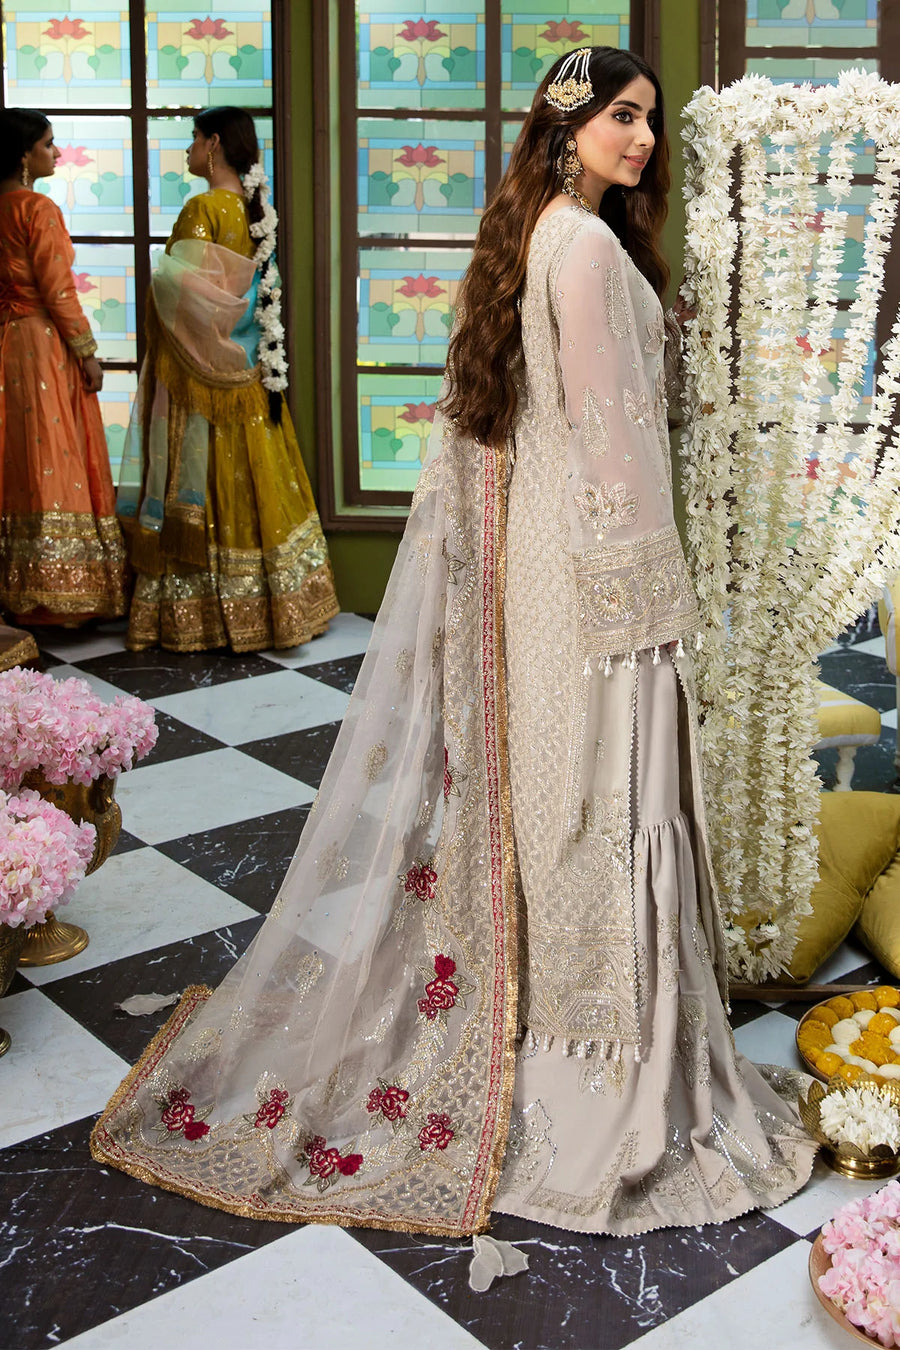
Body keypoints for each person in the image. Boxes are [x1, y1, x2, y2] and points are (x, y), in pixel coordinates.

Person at [92, 50, 815, 1240]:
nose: (642, 138)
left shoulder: (541, 234)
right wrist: (656, 609)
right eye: (620, 116)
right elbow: (612, 439)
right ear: (566, 125)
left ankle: (551, 1032)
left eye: (649, 119)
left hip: (545, 571)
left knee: (562, 802)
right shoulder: (585, 248)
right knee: (604, 800)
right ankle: (608, 1076)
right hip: (601, 584)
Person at [117, 107, 338, 653]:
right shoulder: (252, 210)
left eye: (193, 138)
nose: (189, 149)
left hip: (201, 373)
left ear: (213, 143)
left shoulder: (204, 207)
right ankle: (278, 607)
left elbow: (186, 294)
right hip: (249, 369)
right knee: (257, 477)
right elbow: (243, 297)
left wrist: (158, 284)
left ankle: (201, 617)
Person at [0, 109, 126, 626]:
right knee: (52, 454)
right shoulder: (37, 207)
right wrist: (86, 351)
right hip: (41, 345)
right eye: (48, 144)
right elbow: (57, 291)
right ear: (24, 154)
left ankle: (15, 587)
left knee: (17, 458)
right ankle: (60, 594)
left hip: (5, 343)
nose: (56, 153)